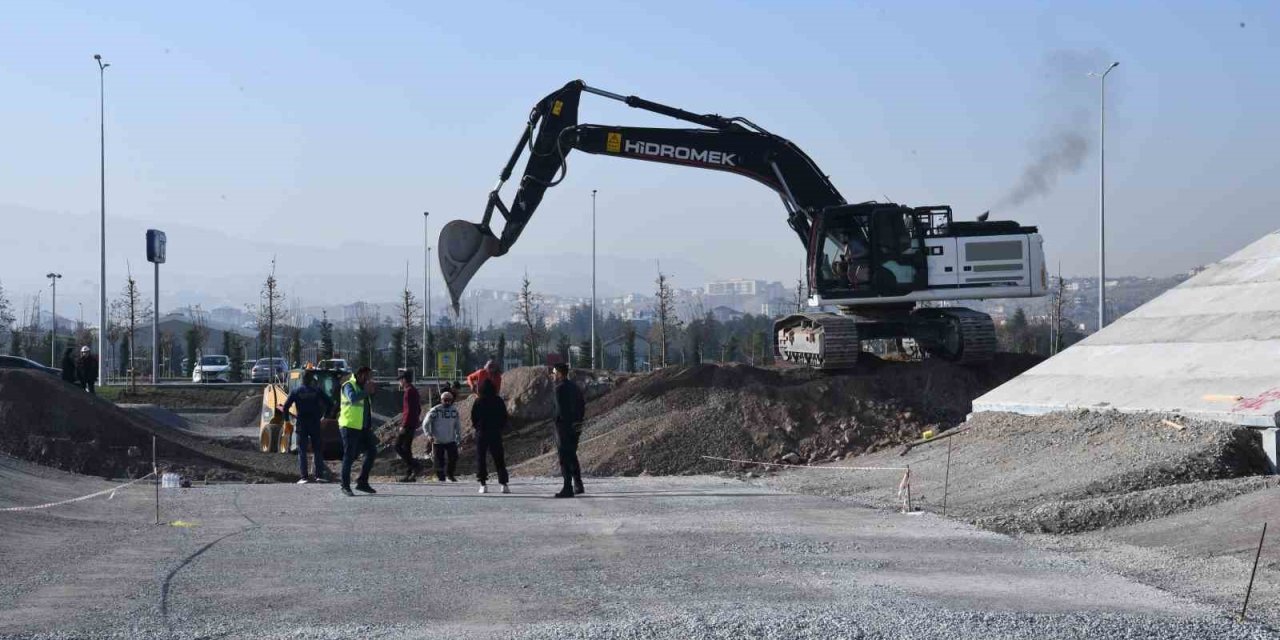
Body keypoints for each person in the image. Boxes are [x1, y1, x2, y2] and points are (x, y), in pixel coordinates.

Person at [281, 370, 335, 484]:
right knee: (317, 450)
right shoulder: (317, 391)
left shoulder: (296, 391)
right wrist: (325, 416)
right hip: (315, 423)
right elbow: (330, 403)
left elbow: (285, 407)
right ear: (311, 380)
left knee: (302, 450)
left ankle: (304, 477)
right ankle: (319, 475)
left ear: (302, 379)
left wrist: (287, 421)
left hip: (301, 424)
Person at [337, 367, 378, 496]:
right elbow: (352, 398)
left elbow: (365, 408)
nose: (369, 379)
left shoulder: (363, 388)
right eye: (367, 376)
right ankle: (345, 485)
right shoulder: (348, 385)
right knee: (349, 456)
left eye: (370, 376)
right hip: (349, 426)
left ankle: (362, 482)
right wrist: (366, 392)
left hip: (363, 427)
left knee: (372, 451)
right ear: (360, 375)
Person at [551, 363, 585, 498]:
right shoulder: (575, 387)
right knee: (572, 454)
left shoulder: (559, 389)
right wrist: (578, 421)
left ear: (559, 373)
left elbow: (559, 410)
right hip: (576, 425)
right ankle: (578, 483)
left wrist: (557, 422)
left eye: (554, 373)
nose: (552, 376)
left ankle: (567, 487)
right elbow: (582, 405)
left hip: (563, 427)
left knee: (564, 457)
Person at [470, 379, 510, 494]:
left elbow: (473, 418)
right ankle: (504, 484)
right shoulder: (498, 401)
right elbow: (504, 416)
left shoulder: (478, 401)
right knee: (499, 459)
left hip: (482, 433)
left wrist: (478, 428)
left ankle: (483, 484)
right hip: (495, 433)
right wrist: (499, 428)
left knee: (481, 459)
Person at [422, 391, 461, 483]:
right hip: (438, 440)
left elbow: (457, 425)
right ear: (441, 400)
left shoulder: (454, 411)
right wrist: (428, 435)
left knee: (453, 458)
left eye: (449, 400)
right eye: (445, 400)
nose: (447, 402)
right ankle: (441, 477)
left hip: (451, 439)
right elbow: (425, 424)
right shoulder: (435, 410)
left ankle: (450, 475)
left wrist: (458, 437)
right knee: (439, 461)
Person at [395, 371, 423, 482]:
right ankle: (410, 474)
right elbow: (418, 409)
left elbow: (409, 410)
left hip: (408, 424)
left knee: (397, 446)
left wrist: (404, 425)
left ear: (404, 380)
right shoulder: (414, 391)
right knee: (407, 449)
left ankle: (416, 466)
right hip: (412, 423)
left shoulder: (408, 392)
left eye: (400, 380)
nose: (399, 383)